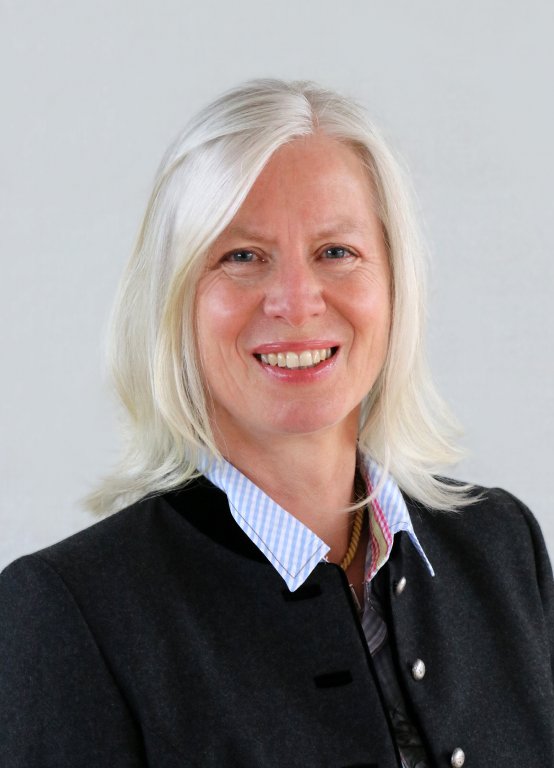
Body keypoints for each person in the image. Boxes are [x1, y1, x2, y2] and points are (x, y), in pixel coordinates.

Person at [1, 79, 553, 768]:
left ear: (394, 285)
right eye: (242, 256)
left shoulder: (500, 547)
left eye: (336, 252)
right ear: (175, 301)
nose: (296, 302)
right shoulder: (70, 611)